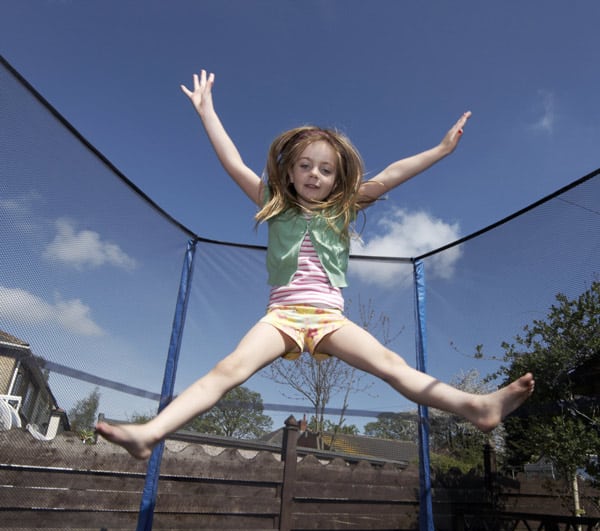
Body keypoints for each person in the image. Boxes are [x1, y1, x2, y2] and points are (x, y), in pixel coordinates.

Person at [96, 69, 534, 459]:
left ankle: (478, 406)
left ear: (338, 180)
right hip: (282, 317)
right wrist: (207, 110)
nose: (314, 175)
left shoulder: (343, 209)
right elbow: (232, 161)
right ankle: (151, 433)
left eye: (325, 170)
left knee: (392, 365)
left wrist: (440, 150)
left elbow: (394, 172)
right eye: (305, 166)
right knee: (229, 369)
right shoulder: (274, 204)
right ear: (288, 173)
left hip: (329, 318)